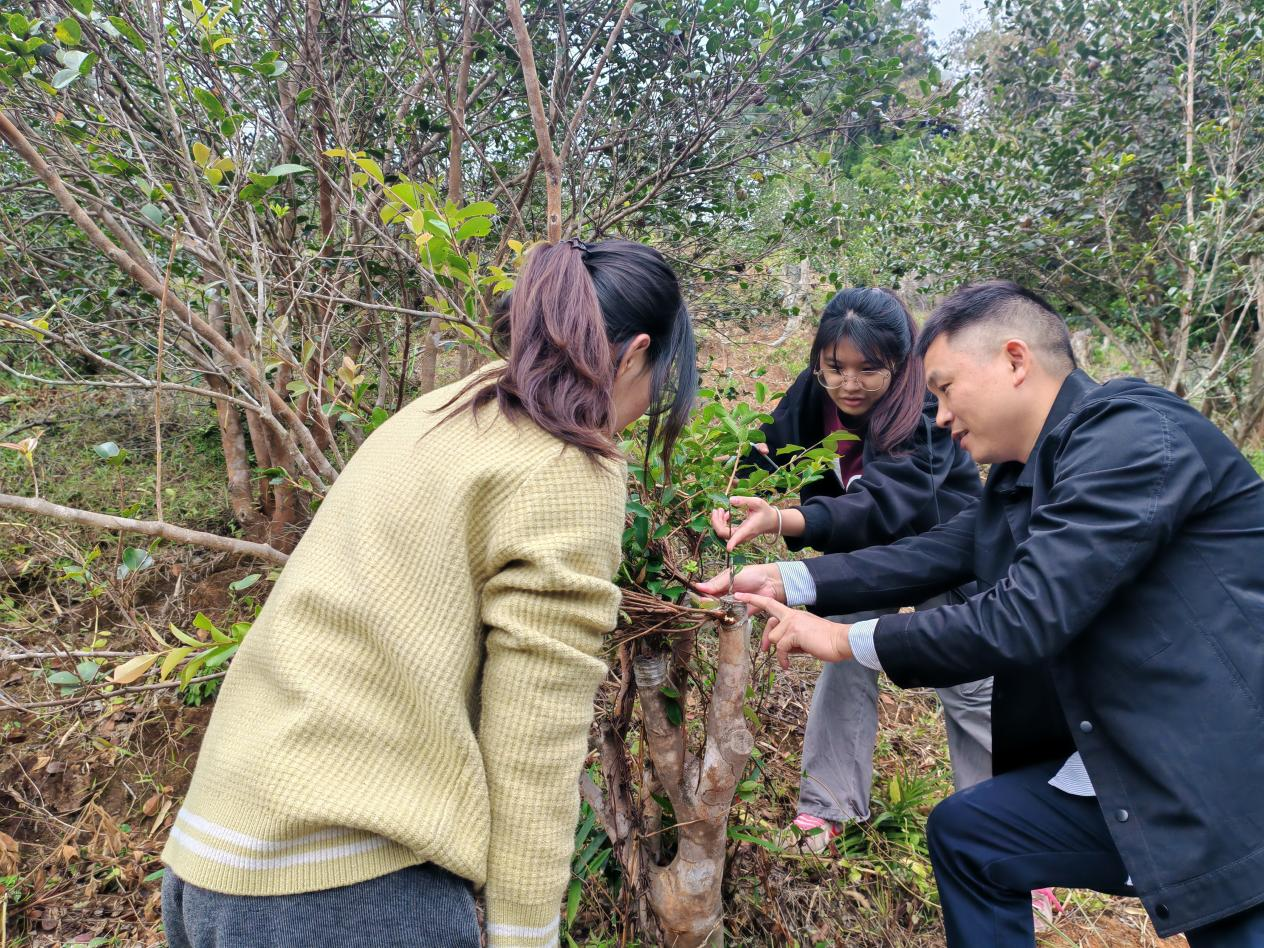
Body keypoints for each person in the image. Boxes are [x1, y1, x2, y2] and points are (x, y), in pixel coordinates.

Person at [159, 239, 698, 948]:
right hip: (347, 890)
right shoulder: (569, 463)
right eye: (657, 381)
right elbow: (533, 741)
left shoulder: (442, 413)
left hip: (212, 859)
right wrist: (525, 935)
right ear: (634, 355)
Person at [702, 280, 1264, 946]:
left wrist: (847, 640)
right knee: (974, 836)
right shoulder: (1027, 475)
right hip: (1135, 772)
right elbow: (943, 549)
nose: (936, 415)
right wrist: (789, 577)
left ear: (1015, 361)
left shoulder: (1132, 437)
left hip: (1228, 782)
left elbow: (1025, 614)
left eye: (942, 389)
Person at [710, 287, 991, 851]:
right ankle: (827, 807)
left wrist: (786, 520)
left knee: (968, 688)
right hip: (861, 559)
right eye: (835, 367)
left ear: (902, 363)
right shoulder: (814, 397)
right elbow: (768, 448)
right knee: (841, 656)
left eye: (869, 369)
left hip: (942, 554)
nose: (849, 383)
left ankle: (1008, 835)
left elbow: (883, 505)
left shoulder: (929, 411)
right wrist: (728, 486)